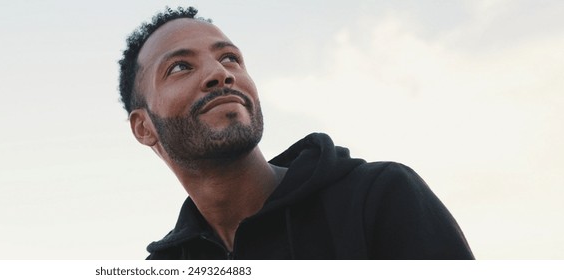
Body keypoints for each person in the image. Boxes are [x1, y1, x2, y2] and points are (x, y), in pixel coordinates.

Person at [117, 6, 473, 260]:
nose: (220, 73)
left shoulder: (378, 196)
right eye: (181, 66)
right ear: (144, 127)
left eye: (229, 58)